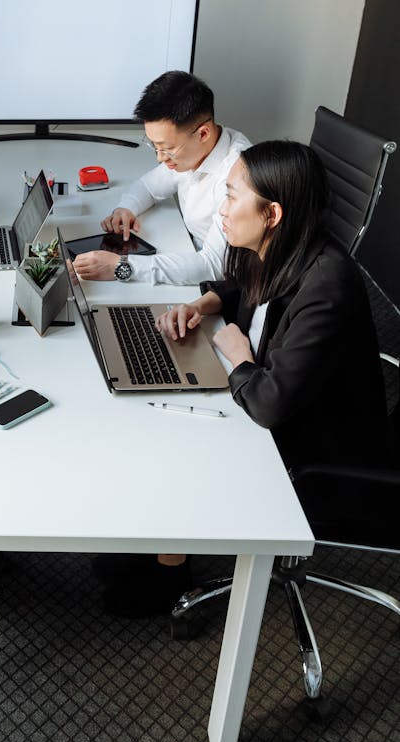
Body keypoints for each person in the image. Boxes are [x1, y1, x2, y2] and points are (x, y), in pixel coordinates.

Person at [96, 140, 389, 617]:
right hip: (282, 399)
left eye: (231, 196)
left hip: (318, 450)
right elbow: (242, 287)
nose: (222, 210)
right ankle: (158, 544)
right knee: (155, 407)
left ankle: (170, 568)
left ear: (271, 212)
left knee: (176, 433)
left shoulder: (327, 287)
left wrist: (237, 358)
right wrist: (203, 304)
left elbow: (270, 404)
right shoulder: (278, 243)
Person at [73, 71, 250, 286]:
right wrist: (126, 208)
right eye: (154, 146)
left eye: (167, 148)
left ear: (203, 134)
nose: (160, 157)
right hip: (189, 253)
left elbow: (212, 266)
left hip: (226, 283)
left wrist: (122, 266)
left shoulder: (238, 176)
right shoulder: (192, 150)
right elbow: (148, 187)